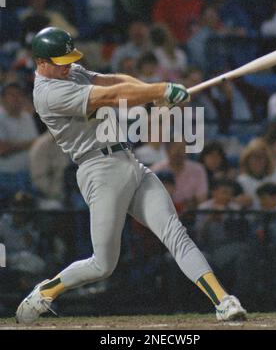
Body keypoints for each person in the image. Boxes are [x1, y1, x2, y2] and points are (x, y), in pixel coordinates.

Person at [16, 26, 246, 323]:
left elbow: (114, 80)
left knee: (175, 233)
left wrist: (151, 96)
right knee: (102, 265)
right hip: (98, 170)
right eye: (60, 62)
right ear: (41, 62)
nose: (68, 66)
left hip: (127, 159)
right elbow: (111, 95)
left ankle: (223, 301)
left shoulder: (66, 69)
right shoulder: (49, 94)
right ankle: (46, 291)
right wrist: (160, 90)